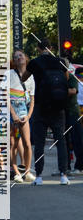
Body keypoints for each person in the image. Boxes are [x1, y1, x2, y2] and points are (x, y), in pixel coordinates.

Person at [25, 38, 69, 185]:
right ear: (51, 47)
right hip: (58, 107)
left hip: (41, 107)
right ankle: (63, 174)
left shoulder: (35, 63)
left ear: (38, 48)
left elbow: (24, 78)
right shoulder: (62, 61)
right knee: (61, 141)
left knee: (39, 142)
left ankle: (39, 176)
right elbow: (66, 80)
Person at [9, 50, 35, 182]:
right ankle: (16, 172)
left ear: (25, 58)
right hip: (11, 111)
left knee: (27, 143)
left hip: (24, 111)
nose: (19, 58)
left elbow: (32, 99)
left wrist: (28, 116)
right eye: (15, 57)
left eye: (20, 55)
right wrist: (13, 115)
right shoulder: (9, 75)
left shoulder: (30, 77)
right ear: (13, 61)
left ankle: (28, 171)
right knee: (13, 143)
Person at [64, 62, 83, 173]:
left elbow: (74, 91)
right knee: (65, 140)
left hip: (75, 112)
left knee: (77, 138)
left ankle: (79, 166)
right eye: (80, 76)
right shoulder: (59, 78)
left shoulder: (73, 79)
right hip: (64, 112)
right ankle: (65, 166)